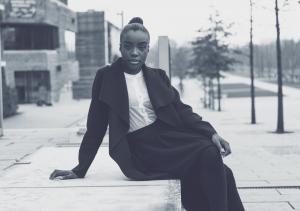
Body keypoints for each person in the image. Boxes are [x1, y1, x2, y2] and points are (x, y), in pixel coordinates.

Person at [50, 17, 245, 211]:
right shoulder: (106, 77)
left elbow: (181, 110)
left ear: (147, 49)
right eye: (128, 46)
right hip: (143, 149)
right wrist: (80, 168)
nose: (134, 52)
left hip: (170, 138)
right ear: (120, 47)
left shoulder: (157, 76)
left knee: (218, 166)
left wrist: (211, 133)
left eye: (141, 47)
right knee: (211, 161)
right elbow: (96, 125)